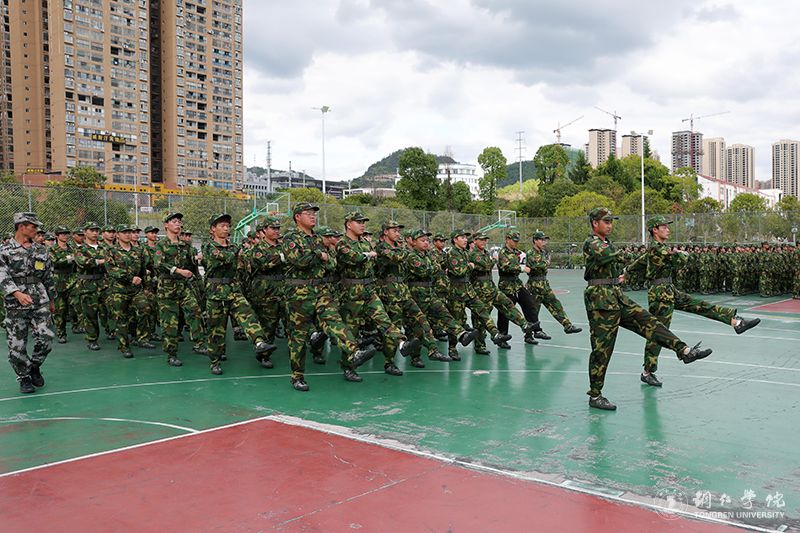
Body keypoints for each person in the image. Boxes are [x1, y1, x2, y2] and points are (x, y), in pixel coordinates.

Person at [582, 207, 712, 411]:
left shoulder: (607, 243)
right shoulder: (591, 243)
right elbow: (610, 255)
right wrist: (632, 254)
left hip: (615, 295)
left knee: (650, 323)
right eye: (606, 221)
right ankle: (595, 395)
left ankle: (684, 351)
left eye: (611, 221)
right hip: (600, 300)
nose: (610, 225)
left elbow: (618, 259)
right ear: (594, 223)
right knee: (602, 350)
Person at [627, 216, 760, 387]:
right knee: (659, 332)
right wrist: (681, 253)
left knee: (699, 305)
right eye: (664, 227)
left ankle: (736, 322)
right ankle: (648, 371)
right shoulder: (657, 249)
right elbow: (681, 260)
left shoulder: (657, 249)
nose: (668, 229)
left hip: (668, 289)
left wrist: (627, 271)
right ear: (655, 230)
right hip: (659, 295)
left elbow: (640, 262)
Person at [281, 203, 375, 391]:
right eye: (308, 213)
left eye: (314, 214)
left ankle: (354, 351)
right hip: (298, 293)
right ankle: (297, 376)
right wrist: (319, 255)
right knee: (298, 337)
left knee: (335, 321)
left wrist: (319, 256)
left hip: (320, 290)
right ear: (297, 217)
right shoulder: (291, 238)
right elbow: (299, 261)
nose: (313, 216)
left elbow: (332, 263)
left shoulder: (317, 238)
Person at [336, 212, 415, 377]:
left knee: (384, 319)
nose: (362, 225)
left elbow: (374, 263)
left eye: (363, 222)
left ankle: (401, 342)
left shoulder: (365, 243)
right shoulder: (342, 243)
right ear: (348, 224)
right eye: (358, 222)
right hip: (351, 293)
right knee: (351, 331)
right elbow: (354, 258)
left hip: (369, 290)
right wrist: (368, 255)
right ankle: (348, 366)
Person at [201, 214, 275, 375]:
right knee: (216, 329)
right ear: (213, 229)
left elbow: (243, 259)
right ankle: (215, 361)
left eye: (227, 225)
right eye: (222, 225)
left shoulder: (233, 246)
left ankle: (259, 342)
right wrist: (237, 253)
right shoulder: (208, 246)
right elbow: (224, 257)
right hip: (216, 291)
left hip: (233, 288)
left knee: (247, 314)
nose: (226, 228)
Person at [0, 213, 56, 393]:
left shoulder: (41, 250)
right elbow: (2, 274)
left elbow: (48, 276)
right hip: (15, 302)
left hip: (40, 298)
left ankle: (34, 366)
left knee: (46, 338)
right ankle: (24, 377)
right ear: (21, 226)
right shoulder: (4, 250)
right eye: (33, 226)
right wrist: (17, 293)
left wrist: (52, 299)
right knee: (17, 344)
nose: (36, 230)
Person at [470, 232, 538, 354]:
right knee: (482, 318)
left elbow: (490, 264)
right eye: (481, 240)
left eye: (485, 240)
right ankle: (480, 345)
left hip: (491, 287)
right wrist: (491, 261)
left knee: (507, 303)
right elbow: (487, 264)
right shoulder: (473, 254)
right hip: (480, 290)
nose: (484, 242)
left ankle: (524, 325)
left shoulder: (485, 253)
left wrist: (491, 261)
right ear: (475, 240)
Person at [153, 212, 206, 367]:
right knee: (170, 322)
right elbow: (158, 264)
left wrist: (198, 260)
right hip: (167, 289)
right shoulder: (161, 245)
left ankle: (199, 343)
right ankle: (171, 354)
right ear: (166, 225)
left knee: (195, 311)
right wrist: (178, 270)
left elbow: (191, 263)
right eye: (174, 221)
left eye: (179, 222)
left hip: (183, 287)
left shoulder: (185, 246)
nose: (178, 224)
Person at [105, 224, 153, 358]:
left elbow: (142, 270)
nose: (127, 235)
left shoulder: (138, 251)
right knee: (121, 318)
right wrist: (130, 278)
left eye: (129, 232)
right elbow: (111, 270)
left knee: (145, 308)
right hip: (118, 290)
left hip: (136, 290)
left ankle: (142, 338)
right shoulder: (111, 251)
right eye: (124, 232)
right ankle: (124, 346)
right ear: (118, 235)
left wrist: (146, 287)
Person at [525, 230, 582, 338]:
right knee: (533, 311)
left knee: (555, 304)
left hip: (544, 284)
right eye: (541, 240)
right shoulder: (530, 253)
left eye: (544, 240)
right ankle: (528, 335)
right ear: (535, 240)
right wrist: (547, 262)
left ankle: (567, 325)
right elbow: (538, 266)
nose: (543, 242)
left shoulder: (543, 252)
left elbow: (543, 266)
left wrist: (545, 263)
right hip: (534, 286)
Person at [497, 230, 543, 346]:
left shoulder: (517, 252)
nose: (516, 243)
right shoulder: (503, 252)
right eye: (514, 241)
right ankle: (502, 337)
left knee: (529, 303)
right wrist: (521, 268)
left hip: (517, 284)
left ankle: (534, 331)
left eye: (517, 241)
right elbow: (506, 267)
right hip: (506, 285)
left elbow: (526, 260)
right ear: (507, 240)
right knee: (505, 312)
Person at [73, 221, 107, 351]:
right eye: (91, 230)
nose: (95, 233)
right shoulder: (80, 249)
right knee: (90, 314)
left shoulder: (104, 248)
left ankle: (111, 331)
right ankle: (92, 339)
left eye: (96, 230)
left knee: (107, 310)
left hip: (103, 283)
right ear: (85, 232)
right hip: (87, 285)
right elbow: (83, 263)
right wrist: (101, 261)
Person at [49, 226, 76, 344]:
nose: (65, 235)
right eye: (62, 233)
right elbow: (56, 262)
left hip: (71, 279)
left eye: (66, 233)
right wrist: (71, 258)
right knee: (60, 310)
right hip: (58, 280)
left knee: (75, 305)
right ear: (57, 235)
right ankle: (61, 333)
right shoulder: (52, 249)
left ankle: (77, 325)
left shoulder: (72, 248)